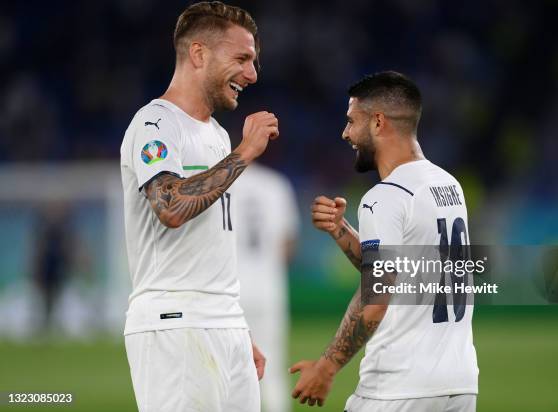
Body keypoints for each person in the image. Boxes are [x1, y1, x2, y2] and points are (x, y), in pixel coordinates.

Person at [119, 2, 279, 411]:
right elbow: (169, 206)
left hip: (222, 321)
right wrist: (245, 153)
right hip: (173, 322)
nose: (252, 74)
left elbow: (210, 244)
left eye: (254, 61)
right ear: (198, 54)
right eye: (242, 58)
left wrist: (235, 324)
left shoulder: (217, 136)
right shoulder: (155, 125)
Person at [290, 71, 478, 411]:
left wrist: (327, 366)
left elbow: (376, 295)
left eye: (351, 121)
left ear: (378, 122)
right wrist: (341, 231)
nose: (345, 133)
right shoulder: (449, 185)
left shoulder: (385, 196)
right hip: (459, 386)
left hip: (397, 387)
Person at [233, 163, 300, 412]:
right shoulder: (275, 184)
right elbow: (288, 244)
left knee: (231, 368)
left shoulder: (221, 184)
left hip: (230, 288)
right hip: (268, 287)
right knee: (272, 362)